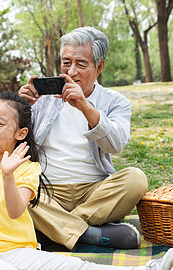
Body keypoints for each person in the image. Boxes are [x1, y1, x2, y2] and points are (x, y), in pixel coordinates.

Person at [0, 92, 173, 270]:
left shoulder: (26, 170)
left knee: (75, 266)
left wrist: (7, 174)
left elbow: (16, 210)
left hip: (21, 251)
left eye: (0, 123)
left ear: (20, 134)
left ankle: (154, 267)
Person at [18, 26, 148, 251]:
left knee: (136, 180)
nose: (72, 71)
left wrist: (86, 108)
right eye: (66, 62)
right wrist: (18, 110)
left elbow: (116, 144)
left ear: (99, 67)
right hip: (46, 190)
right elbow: (10, 143)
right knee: (9, 185)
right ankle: (88, 234)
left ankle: (53, 230)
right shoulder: (43, 99)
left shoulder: (116, 102)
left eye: (81, 64)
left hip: (94, 192)